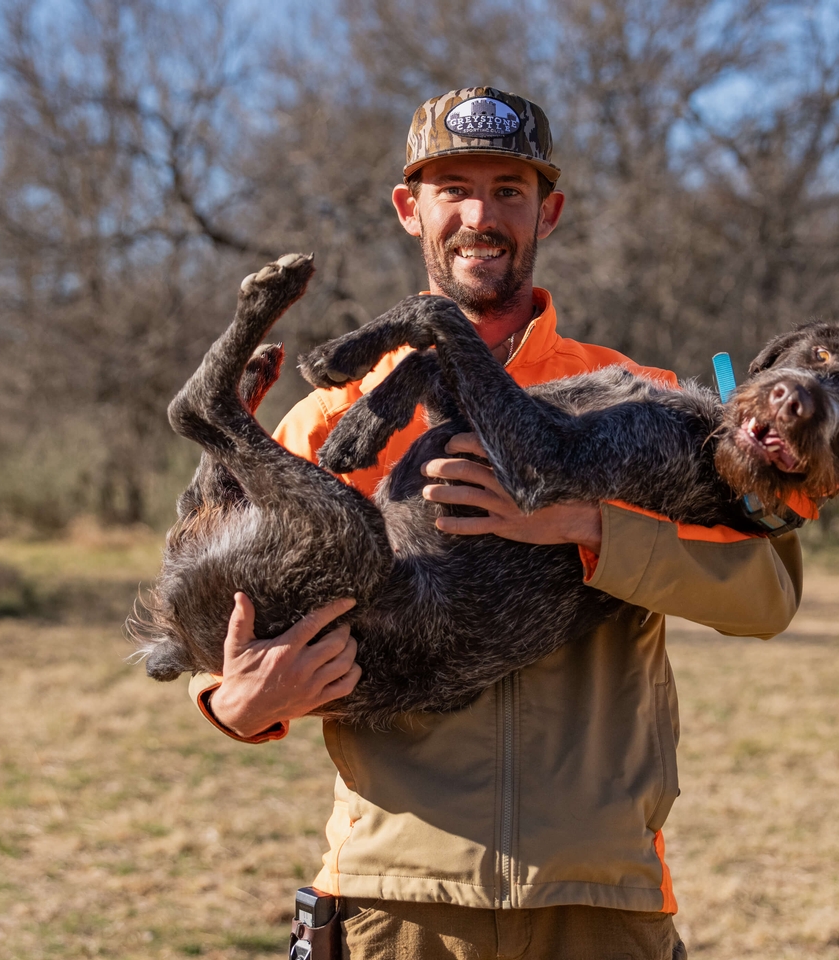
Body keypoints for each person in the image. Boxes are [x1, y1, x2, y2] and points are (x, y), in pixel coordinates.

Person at [187, 87, 803, 959]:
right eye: (455, 190)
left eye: (509, 189)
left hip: (597, 898)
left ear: (548, 209)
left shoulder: (641, 395)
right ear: (412, 209)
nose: (483, 215)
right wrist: (232, 702)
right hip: (395, 900)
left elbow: (766, 594)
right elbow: (216, 605)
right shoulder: (332, 419)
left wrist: (585, 525)